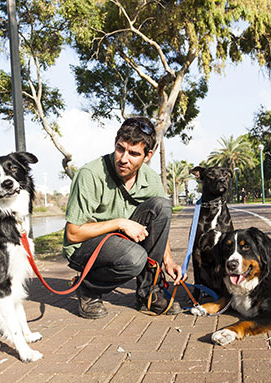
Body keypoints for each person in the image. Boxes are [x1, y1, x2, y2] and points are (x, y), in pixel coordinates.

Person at [62, 117, 183, 319]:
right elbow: (73, 234)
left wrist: (168, 261)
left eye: (134, 153)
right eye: (120, 149)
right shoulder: (90, 174)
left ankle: (149, 294)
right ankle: (88, 289)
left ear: (147, 156)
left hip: (121, 242)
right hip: (85, 246)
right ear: (115, 143)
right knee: (135, 258)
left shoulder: (151, 179)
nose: (123, 159)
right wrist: (120, 223)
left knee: (162, 206)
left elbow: (159, 224)